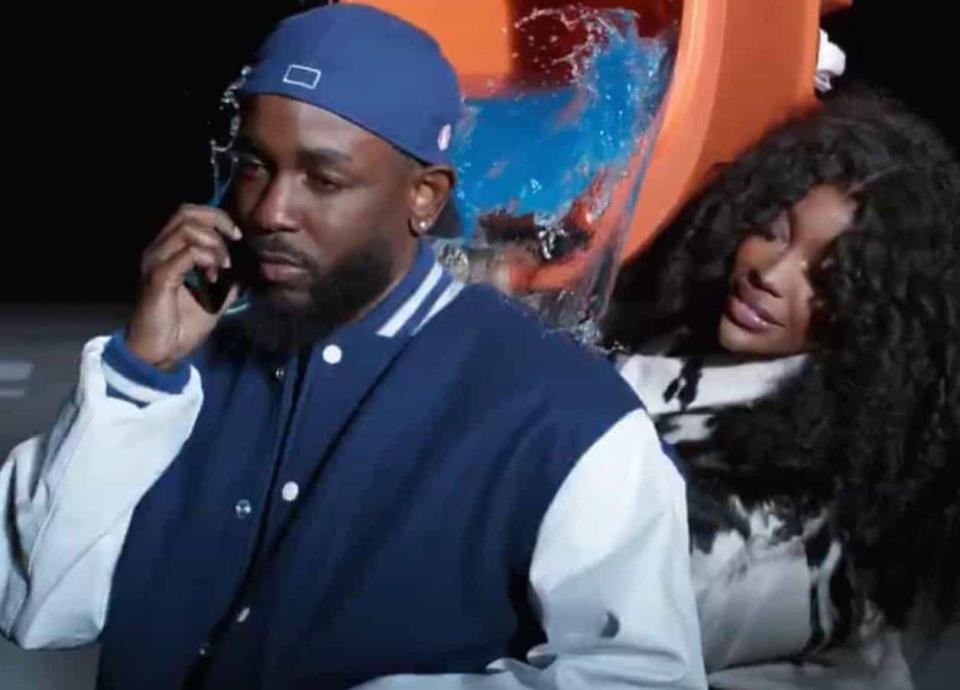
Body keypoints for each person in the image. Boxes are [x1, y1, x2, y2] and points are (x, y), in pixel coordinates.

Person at [0, 5, 705, 690]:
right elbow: (32, 605)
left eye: (323, 179)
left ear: (425, 197)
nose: (271, 211)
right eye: (255, 165)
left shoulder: (563, 415)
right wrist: (139, 375)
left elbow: (643, 677)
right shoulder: (179, 370)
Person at [605, 92, 959, 689]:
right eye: (773, 232)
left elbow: (612, 651)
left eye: (825, 278)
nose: (768, 275)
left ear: (876, 315)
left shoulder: (785, 529)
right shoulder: (682, 340)